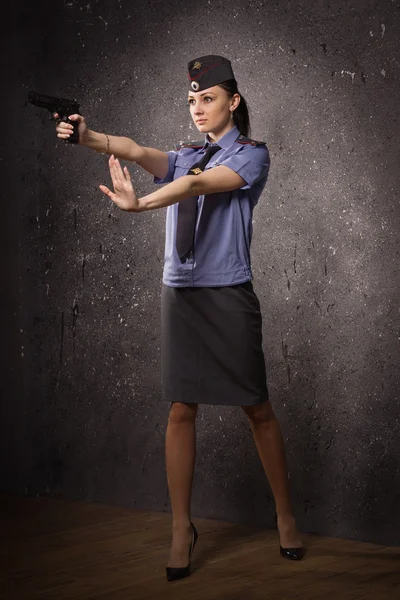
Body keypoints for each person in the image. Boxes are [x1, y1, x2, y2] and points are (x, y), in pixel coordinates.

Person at [54, 54, 306, 582]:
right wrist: (87, 136)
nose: (197, 108)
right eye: (191, 100)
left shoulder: (251, 157)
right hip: (182, 296)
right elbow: (136, 150)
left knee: (257, 409)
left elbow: (194, 187)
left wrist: (139, 207)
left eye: (207, 98)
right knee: (180, 410)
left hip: (228, 294)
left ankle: (285, 514)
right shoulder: (186, 153)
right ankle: (180, 528)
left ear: (232, 101)